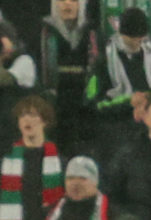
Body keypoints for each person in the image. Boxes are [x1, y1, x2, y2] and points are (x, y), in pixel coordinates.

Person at [85, 5, 151, 159]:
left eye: (141, 37)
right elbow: (93, 103)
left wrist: (149, 100)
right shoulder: (104, 60)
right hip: (118, 130)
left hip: (150, 127)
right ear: (122, 34)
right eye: (133, 38)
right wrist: (129, 102)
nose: (138, 41)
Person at [37, 0, 100, 154]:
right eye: (61, 0)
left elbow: (97, 66)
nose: (67, 4)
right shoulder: (45, 30)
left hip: (84, 101)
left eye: (73, 0)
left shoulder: (91, 30)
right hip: (56, 99)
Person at [0, 95, 63, 220]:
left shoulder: (60, 163)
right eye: (22, 116)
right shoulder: (5, 163)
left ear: (45, 121)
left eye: (32, 115)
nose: (26, 119)